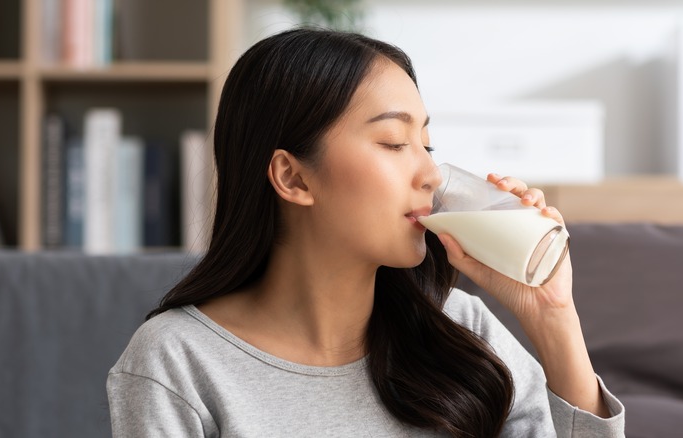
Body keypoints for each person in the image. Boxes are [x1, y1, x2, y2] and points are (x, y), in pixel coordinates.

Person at [107, 28, 625, 437]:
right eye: (395, 142)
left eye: (428, 145)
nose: (431, 175)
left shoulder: (461, 331)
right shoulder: (177, 360)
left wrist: (554, 317)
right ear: (292, 176)